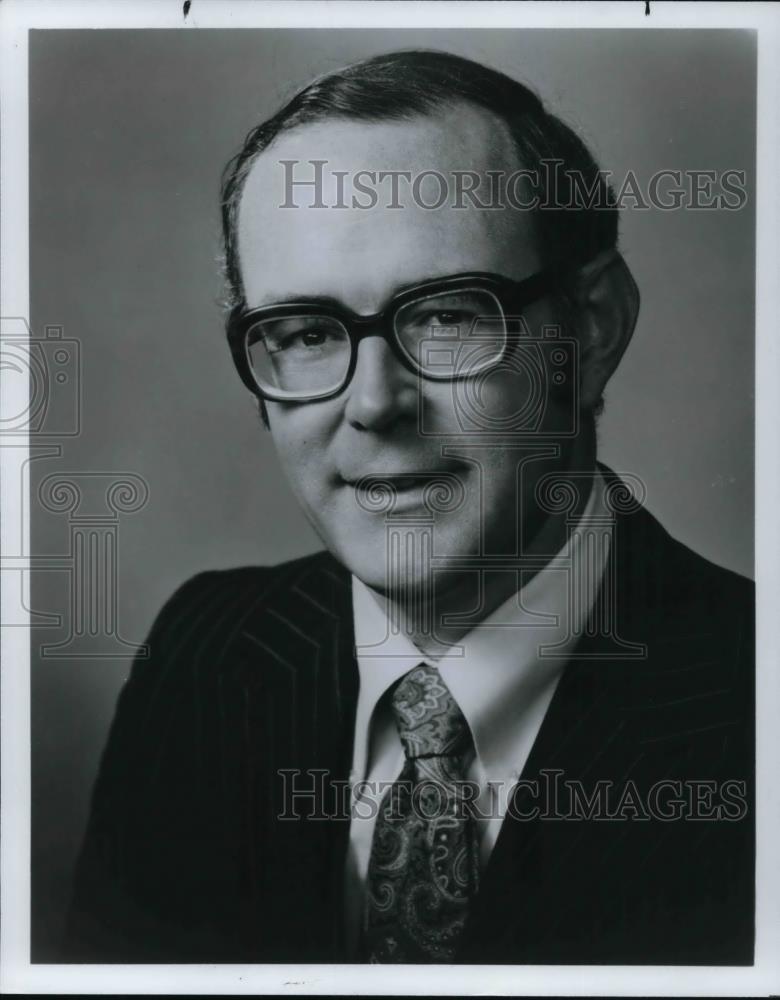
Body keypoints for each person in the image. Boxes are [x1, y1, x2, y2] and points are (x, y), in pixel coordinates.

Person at [62, 50, 754, 965]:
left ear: (593, 326)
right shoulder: (205, 656)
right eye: (305, 334)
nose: (375, 404)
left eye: (446, 316)